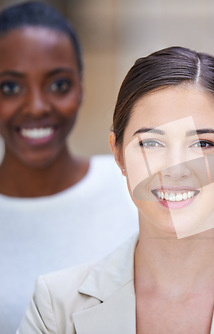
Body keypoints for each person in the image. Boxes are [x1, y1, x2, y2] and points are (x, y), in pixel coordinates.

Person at [17, 46, 214, 334]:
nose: (176, 168)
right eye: (151, 143)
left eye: (203, 144)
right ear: (118, 152)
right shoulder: (55, 307)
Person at [0, 2, 137, 331]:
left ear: (81, 87)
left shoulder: (132, 191)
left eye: (58, 85)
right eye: (11, 88)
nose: (36, 107)